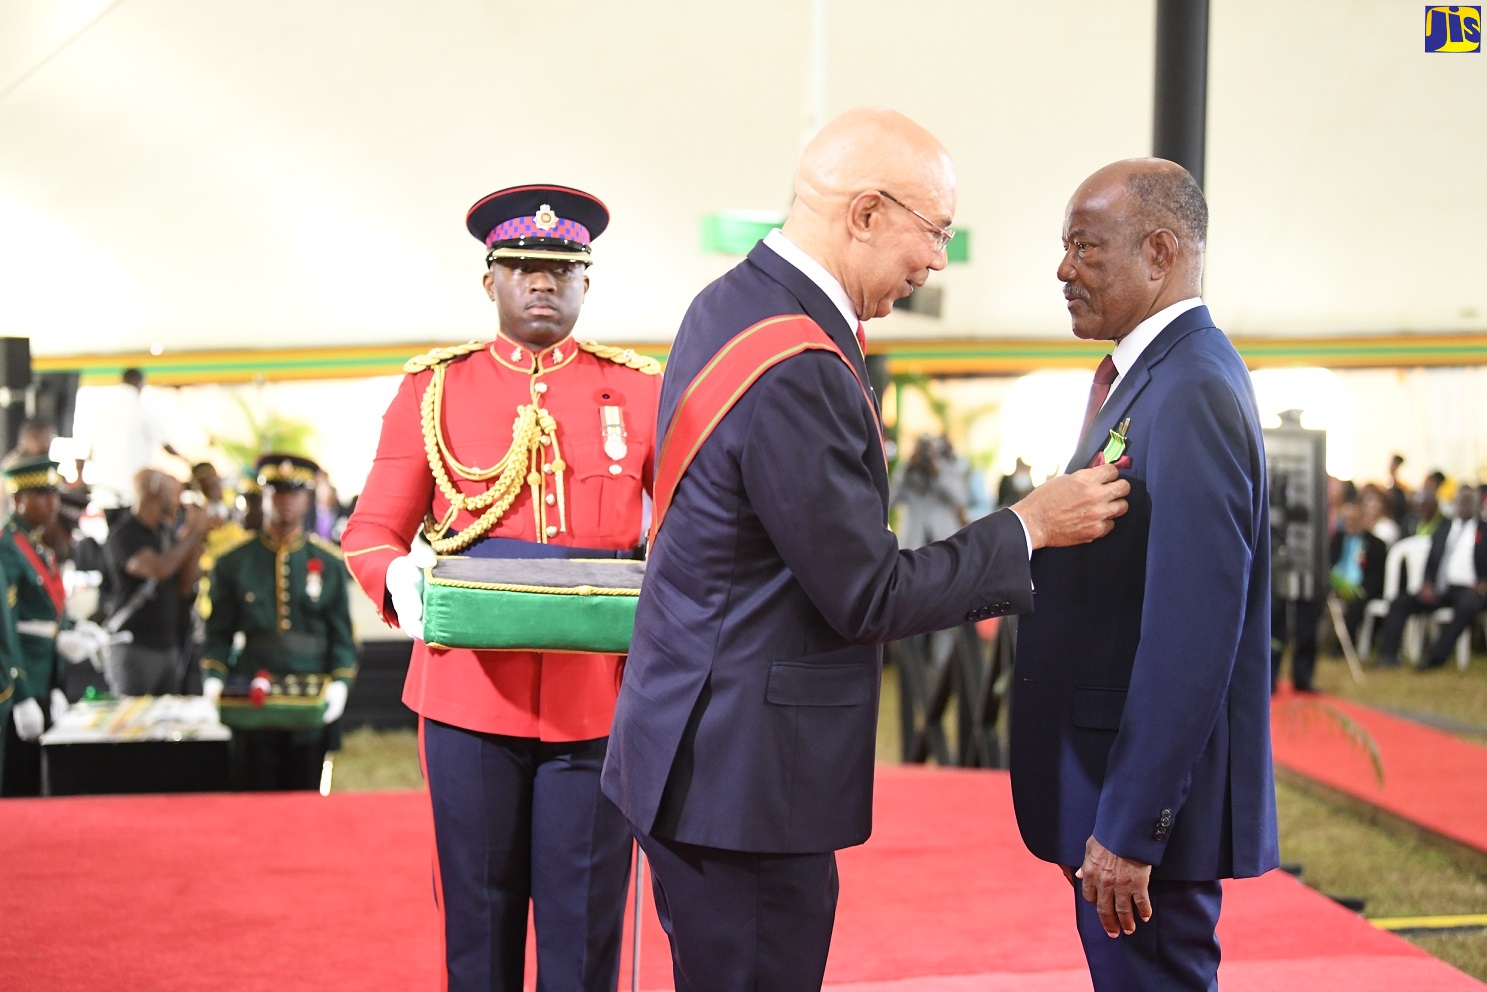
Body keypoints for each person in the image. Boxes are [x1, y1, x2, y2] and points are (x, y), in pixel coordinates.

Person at [600, 108, 1128, 992]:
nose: (934, 264)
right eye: (935, 234)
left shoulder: (730, 304)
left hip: (699, 742)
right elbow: (867, 594)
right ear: (866, 213)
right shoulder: (798, 363)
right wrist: (1027, 527)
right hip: (744, 784)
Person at [341, 184, 661, 992]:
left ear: (588, 282)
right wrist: (399, 579)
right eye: (520, 266)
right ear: (490, 282)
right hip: (467, 701)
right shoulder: (433, 390)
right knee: (478, 927)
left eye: (562, 268)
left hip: (597, 703)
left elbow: (690, 533)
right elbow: (371, 531)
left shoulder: (642, 392)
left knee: (585, 926)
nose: (542, 283)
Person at [1010, 159, 1277, 992]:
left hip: (1141, 814)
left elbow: (1191, 634)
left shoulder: (1189, 386)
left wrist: (1131, 826)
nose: (1063, 269)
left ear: (1159, 253)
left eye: (1084, 247)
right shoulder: (1151, 381)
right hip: (1111, 787)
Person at [201, 454, 355, 790]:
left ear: (308, 498)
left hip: (310, 694)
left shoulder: (327, 562)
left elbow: (341, 633)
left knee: (306, 798)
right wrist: (214, 676)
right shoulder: (233, 562)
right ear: (263, 496)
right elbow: (219, 632)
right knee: (252, 793)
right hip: (253, 692)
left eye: (295, 493)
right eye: (276, 492)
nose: (285, 501)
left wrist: (341, 682)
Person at [0, 459, 110, 794]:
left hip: (43, 677)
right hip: (19, 677)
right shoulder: (7, 549)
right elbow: (6, 628)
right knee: (15, 784)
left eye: (54, 494)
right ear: (18, 500)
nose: (53, 503)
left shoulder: (34, 547)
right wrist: (19, 693)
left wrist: (74, 629)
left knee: (35, 784)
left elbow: (49, 613)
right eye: (42, 495)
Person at [102, 469, 210, 695]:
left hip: (168, 646)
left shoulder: (164, 535)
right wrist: (192, 534)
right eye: (173, 493)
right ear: (155, 493)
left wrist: (195, 538)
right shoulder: (124, 534)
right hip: (135, 647)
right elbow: (158, 569)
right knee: (132, 722)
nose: (178, 501)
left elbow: (183, 586)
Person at [1374, 484, 1487, 670]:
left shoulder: (1484, 530)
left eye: (1469, 502)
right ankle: (1388, 657)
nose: (1465, 505)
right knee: (1399, 603)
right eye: (1462, 501)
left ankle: (1434, 659)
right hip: (1441, 588)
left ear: (1477, 505)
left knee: (1467, 606)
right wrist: (1427, 583)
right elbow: (1431, 560)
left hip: (1472, 589)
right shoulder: (1444, 528)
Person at [82, 368, 186, 524]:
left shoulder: (102, 409)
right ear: (139, 382)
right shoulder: (140, 409)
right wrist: (188, 462)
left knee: (115, 537)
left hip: (106, 493)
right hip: (133, 493)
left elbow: (88, 451)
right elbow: (165, 444)